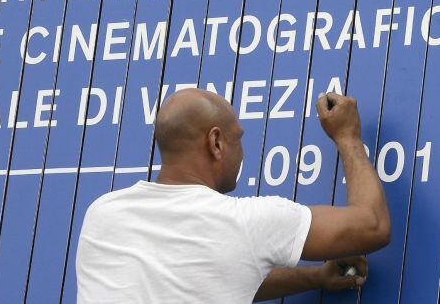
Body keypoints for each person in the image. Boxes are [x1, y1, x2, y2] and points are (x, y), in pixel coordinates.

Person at [76, 89, 390, 303]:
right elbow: (373, 225)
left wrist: (314, 277)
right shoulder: (243, 222)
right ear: (216, 142)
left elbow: (210, 275)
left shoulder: (102, 215)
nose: (242, 152)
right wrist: (348, 137)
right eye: (237, 138)